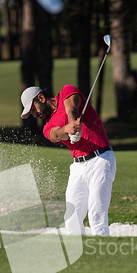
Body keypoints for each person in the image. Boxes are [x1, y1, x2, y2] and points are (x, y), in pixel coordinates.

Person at [20, 84, 116, 236]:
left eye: (33, 109)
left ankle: (101, 252)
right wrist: (67, 129)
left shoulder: (66, 91)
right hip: (78, 166)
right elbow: (55, 134)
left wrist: (72, 123)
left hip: (101, 159)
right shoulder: (47, 127)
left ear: (41, 98)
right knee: (71, 218)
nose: (34, 114)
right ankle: (82, 256)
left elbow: (72, 107)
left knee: (96, 214)